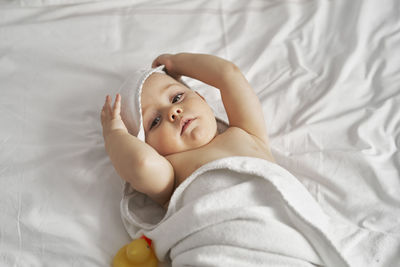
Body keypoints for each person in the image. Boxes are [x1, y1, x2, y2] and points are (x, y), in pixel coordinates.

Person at [101, 53, 275, 208]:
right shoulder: (171, 175)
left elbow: (228, 74)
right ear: (148, 146)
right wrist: (114, 134)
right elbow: (141, 163)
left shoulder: (247, 132)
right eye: (155, 121)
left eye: (177, 97)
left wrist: (174, 63)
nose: (172, 112)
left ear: (201, 97)